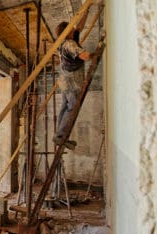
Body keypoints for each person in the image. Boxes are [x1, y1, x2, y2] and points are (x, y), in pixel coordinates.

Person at [52, 8, 93, 150]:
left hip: (64, 78)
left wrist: (86, 11)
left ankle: (59, 136)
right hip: (71, 80)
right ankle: (62, 136)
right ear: (66, 31)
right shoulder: (69, 44)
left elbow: (79, 28)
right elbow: (85, 56)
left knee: (64, 106)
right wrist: (96, 54)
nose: (73, 29)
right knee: (72, 106)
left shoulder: (66, 40)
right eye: (70, 28)